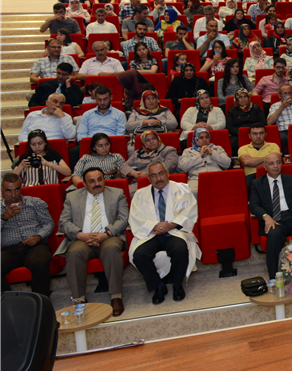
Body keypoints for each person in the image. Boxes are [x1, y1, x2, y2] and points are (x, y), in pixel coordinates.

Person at [58, 170, 129, 316]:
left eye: (99, 179)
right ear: (84, 184)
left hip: (109, 236)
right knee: (74, 252)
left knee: (111, 249)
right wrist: (80, 235)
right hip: (83, 238)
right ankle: (79, 299)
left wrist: (106, 234)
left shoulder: (117, 193)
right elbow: (63, 222)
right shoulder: (72, 197)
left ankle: (116, 296)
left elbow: (123, 219)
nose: (97, 184)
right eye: (91, 181)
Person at [129, 162, 200, 304]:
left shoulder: (183, 189)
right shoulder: (140, 194)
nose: (158, 178)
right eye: (153, 175)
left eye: (161, 173)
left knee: (180, 249)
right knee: (139, 255)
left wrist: (170, 225)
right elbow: (135, 217)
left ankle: (177, 285)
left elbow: (190, 212)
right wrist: (154, 226)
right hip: (151, 234)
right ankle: (158, 286)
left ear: (167, 173)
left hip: (174, 231)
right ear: (149, 178)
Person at [248, 153, 292, 279]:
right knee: (274, 236)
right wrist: (266, 216)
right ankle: (274, 277)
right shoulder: (257, 184)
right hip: (274, 219)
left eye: (278, 162)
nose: (275, 166)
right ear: (265, 167)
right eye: (271, 163)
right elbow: (254, 205)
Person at [0, 174, 54, 296]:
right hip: (9, 250)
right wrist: (4, 217)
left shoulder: (35, 202)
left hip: (34, 246)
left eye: (16, 189)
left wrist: (38, 236)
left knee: (40, 263)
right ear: (1, 190)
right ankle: (9, 303)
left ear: (21, 188)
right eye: (8, 191)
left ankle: (40, 301)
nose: (13, 195)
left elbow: (48, 224)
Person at [178, 128, 232, 194]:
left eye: (206, 137)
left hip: (217, 177)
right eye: (201, 138)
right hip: (196, 178)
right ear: (196, 139)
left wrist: (212, 153)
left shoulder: (217, 148)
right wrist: (199, 155)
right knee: (191, 192)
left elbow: (227, 163)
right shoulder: (188, 151)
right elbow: (183, 167)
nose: (204, 140)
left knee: (226, 190)